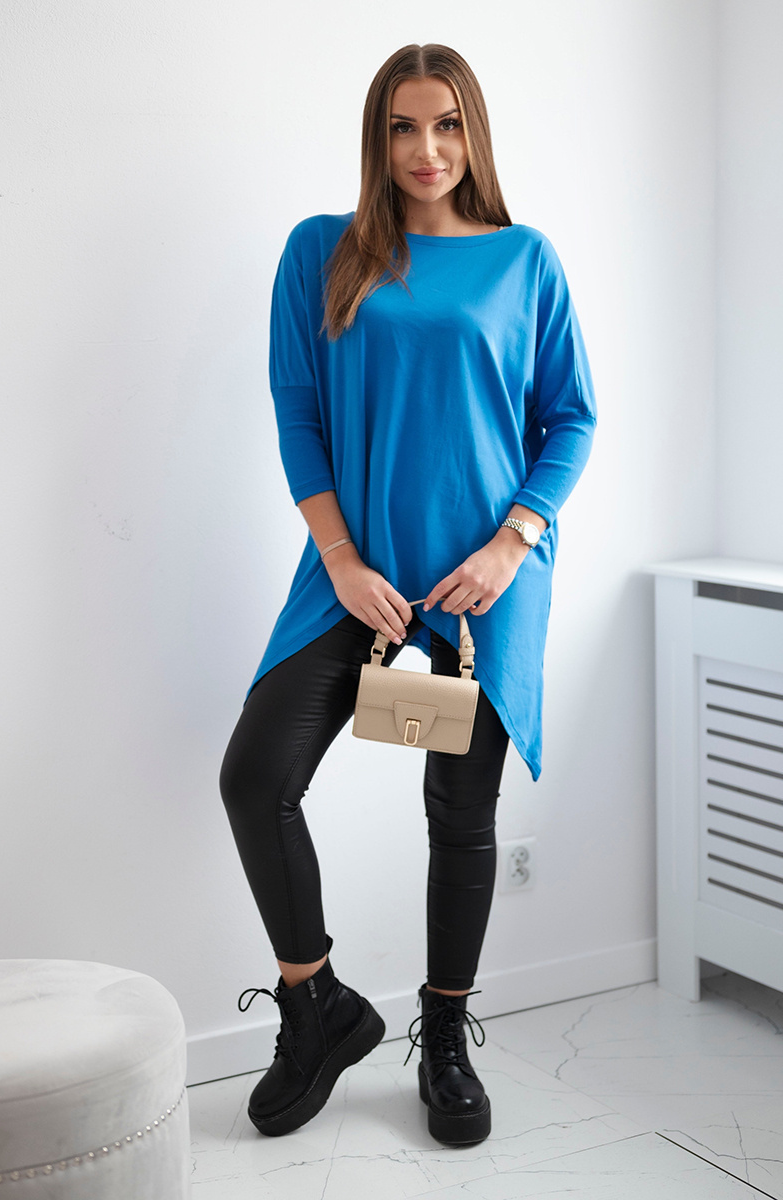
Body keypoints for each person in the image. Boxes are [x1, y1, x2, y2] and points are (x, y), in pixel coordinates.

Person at [219, 42, 597, 1147]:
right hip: (357, 573)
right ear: (375, 137)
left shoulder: (524, 260)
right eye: (401, 126)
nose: (425, 149)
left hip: (485, 581)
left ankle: (443, 1038)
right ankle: (318, 1007)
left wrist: (511, 546)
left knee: (460, 815)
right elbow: (298, 411)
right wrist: (340, 561)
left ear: (472, 133)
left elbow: (570, 418)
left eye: (445, 124)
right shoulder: (322, 252)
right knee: (256, 776)